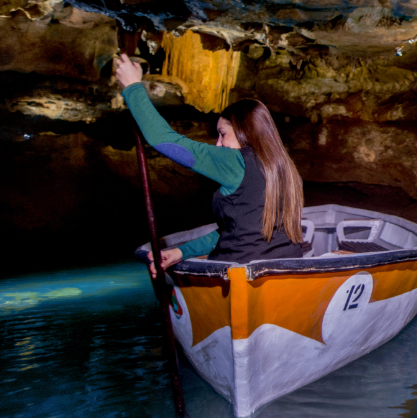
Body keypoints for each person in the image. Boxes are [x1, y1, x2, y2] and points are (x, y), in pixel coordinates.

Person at [113, 53, 305, 277]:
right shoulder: (289, 171)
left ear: (245, 132)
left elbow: (164, 140)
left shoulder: (235, 160)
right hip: (286, 272)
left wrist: (133, 86)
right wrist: (180, 252)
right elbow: (237, 230)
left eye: (223, 134)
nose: (218, 143)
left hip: (239, 276)